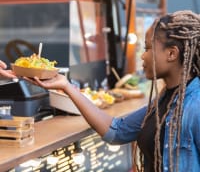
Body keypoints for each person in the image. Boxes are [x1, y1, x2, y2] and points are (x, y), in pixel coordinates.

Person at [24, 10, 200, 172]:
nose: (142, 55)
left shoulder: (196, 106)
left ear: (172, 53)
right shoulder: (166, 99)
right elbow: (116, 131)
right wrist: (66, 86)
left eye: (147, 48)